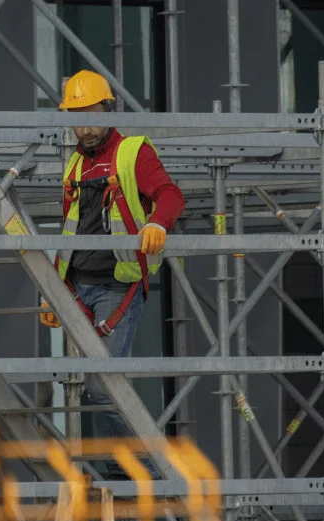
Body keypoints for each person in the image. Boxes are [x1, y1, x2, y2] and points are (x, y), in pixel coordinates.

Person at [39, 69, 186, 478]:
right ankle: (120, 466)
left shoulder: (131, 152)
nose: (84, 126)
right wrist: (55, 290)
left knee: (104, 386)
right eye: (75, 116)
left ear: (108, 108)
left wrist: (158, 223)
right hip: (78, 286)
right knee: (92, 387)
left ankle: (142, 471)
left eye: (91, 113)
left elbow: (170, 194)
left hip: (117, 287)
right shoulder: (74, 165)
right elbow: (72, 232)